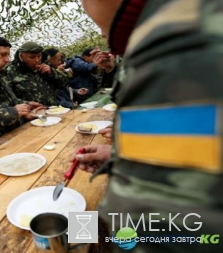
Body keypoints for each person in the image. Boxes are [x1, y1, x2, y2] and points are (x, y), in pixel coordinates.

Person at [71, 0, 223, 252]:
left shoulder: (174, 38)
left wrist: (78, 234)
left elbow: (156, 232)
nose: (99, 32)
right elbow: (195, 153)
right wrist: (121, 156)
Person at [6, 42, 68, 106]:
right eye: (32, 57)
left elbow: (63, 84)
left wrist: (52, 72)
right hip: (29, 112)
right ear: (22, 57)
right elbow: (8, 98)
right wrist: (27, 104)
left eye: (39, 56)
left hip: (51, 110)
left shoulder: (46, 65)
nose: (37, 60)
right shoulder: (11, 71)